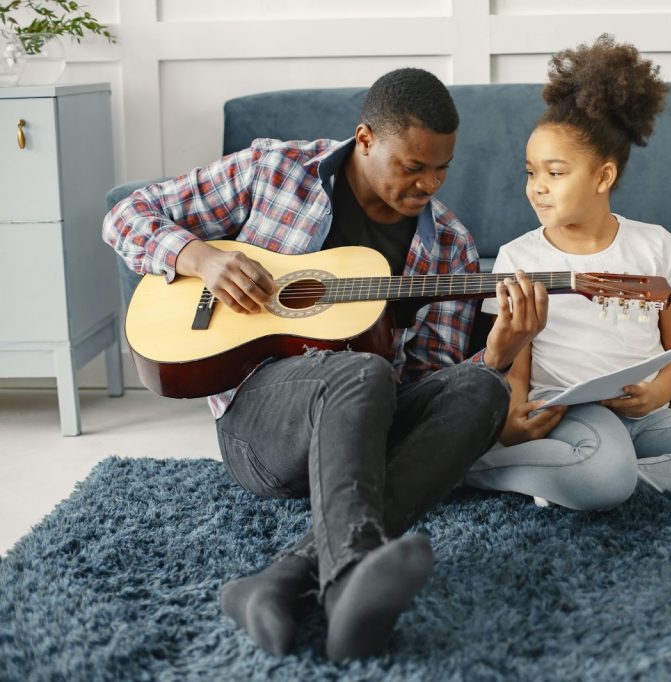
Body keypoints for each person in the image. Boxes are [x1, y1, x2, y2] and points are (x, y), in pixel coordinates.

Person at [103, 68, 548, 661]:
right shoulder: (273, 171)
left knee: (482, 391)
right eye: (412, 167)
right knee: (360, 370)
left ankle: (280, 581)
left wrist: (498, 354)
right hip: (261, 427)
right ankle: (347, 585)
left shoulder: (450, 248)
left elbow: (428, 386)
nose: (429, 183)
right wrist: (200, 257)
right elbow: (127, 215)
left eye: (441, 168)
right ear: (365, 139)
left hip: (366, 426)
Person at [464, 35, 671, 511]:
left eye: (555, 173)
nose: (537, 188)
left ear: (603, 177)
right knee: (601, 462)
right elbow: (515, 369)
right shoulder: (517, 258)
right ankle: (475, 469)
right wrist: (514, 420)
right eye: (530, 172)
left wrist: (656, 393)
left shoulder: (656, 246)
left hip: (647, 418)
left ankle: (602, 477)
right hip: (569, 415)